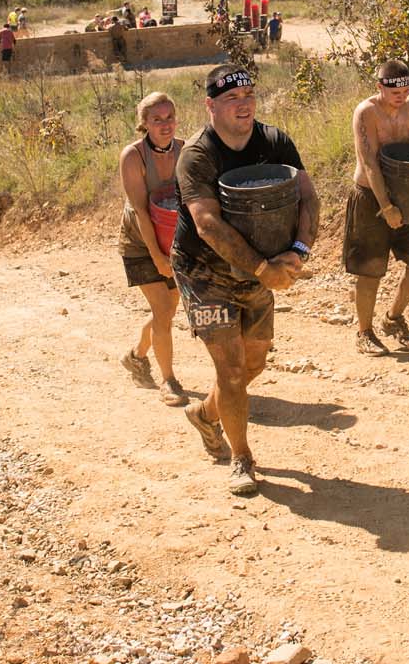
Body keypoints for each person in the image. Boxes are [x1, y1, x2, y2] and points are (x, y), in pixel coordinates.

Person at [171, 65, 320, 496]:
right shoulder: (197, 156)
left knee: (254, 363)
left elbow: (307, 196)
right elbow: (207, 225)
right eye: (233, 99)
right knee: (232, 370)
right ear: (211, 106)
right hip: (205, 270)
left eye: (250, 96)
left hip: (261, 265)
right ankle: (242, 459)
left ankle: (205, 413)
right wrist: (264, 270)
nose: (244, 105)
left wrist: (298, 252)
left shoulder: (274, 142)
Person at [346, 61, 409, 354]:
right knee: (370, 269)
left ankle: (393, 318)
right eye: (393, 90)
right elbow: (369, 162)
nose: (400, 95)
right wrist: (386, 207)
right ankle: (364, 332)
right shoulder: (366, 112)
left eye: (405, 89)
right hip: (371, 196)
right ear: (379, 87)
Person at [119, 92, 190, 407]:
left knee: (168, 310)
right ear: (144, 123)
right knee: (163, 310)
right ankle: (169, 380)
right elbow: (140, 210)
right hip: (139, 242)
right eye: (157, 119)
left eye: (169, 117)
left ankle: (136, 356)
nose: (165, 125)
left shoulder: (185, 150)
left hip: (173, 241)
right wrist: (158, 258)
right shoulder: (132, 156)